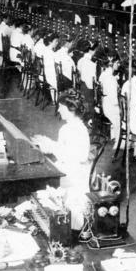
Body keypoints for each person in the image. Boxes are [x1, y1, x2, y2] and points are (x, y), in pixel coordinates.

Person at [32, 90, 91, 230]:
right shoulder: (74, 127)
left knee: (44, 185)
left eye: (61, 107)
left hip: (74, 174)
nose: (58, 110)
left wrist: (50, 147)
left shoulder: (71, 129)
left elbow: (76, 156)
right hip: (75, 170)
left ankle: (58, 225)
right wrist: (48, 144)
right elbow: (65, 149)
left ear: (71, 109)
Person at [97, 50, 119, 146]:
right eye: (117, 62)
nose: (119, 64)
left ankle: (114, 136)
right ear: (111, 64)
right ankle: (119, 142)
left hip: (104, 105)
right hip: (110, 108)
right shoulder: (111, 79)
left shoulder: (103, 74)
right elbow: (115, 101)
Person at [76, 40, 98, 116]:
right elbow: (94, 81)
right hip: (89, 90)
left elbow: (79, 72)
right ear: (92, 51)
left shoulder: (80, 60)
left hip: (82, 87)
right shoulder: (92, 64)